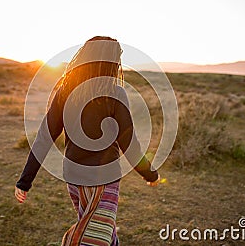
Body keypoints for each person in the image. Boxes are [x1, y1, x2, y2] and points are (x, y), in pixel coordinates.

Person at [15, 36, 160, 246]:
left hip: (73, 177)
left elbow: (44, 137)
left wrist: (25, 181)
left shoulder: (65, 92)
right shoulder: (115, 92)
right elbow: (129, 143)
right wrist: (150, 173)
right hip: (104, 178)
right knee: (94, 236)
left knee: (98, 230)